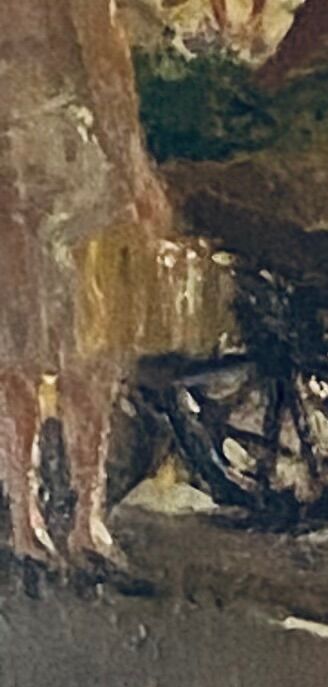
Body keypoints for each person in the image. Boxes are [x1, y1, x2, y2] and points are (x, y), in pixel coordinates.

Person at [0, 0, 173, 573]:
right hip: (66, 167)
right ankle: (84, 516)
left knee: (16, 348)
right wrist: (137, 173)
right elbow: (107, 70)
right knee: (86, 348)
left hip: (15, 170)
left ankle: (26, 517)